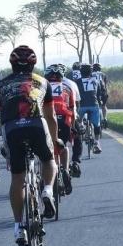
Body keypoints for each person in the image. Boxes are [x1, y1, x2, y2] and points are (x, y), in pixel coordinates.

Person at [0, 45, 59, 245]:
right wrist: (55, 140)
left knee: (17, 178)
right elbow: (51, 116)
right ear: (33, 64)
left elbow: (1, 114)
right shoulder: (43, 82)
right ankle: (47, 190)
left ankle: (18, 226)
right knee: (48, 160)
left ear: (12, 63)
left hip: (12, 128)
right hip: (36, 125)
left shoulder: (1, 84)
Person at [45, 64, 76, 195]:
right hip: (64, 120)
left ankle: (51, 175)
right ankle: (66, 170)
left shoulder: (41, 87)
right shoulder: (67, 88)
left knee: (47, 150)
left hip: (48, 119)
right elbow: (73, 109)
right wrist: (73, 127)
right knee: (63, 146)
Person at [77, 64, 105, 155]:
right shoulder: (96, 81)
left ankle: (81, 124)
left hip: (81, 106)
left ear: (81, 72)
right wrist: (100, 102)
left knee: (78, 119)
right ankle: (97, 143)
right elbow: (99, 94)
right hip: (94, 105)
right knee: (97, 125)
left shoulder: (77, 82)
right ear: (91, 72)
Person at [92, 62, 110, 128]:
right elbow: (105, 84)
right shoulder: (103, 75)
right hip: (103, 92)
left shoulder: (91, 74)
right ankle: (105, 118)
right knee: (104, 106)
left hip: (95, 92)